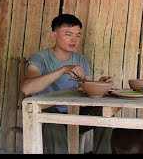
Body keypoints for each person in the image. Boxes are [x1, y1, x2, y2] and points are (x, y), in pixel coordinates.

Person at [21, 13, 113, 154]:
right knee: (53, 119)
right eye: (68, 34)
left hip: (75, 114)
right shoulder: (40, 58)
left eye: (77, 35)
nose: (74, 39)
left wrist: (100, 84)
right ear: (54, 35)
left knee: (106, 112)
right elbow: (27, 88)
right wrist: (63, 70)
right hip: (47, 115)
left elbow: (86, 86)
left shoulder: (80, 59)